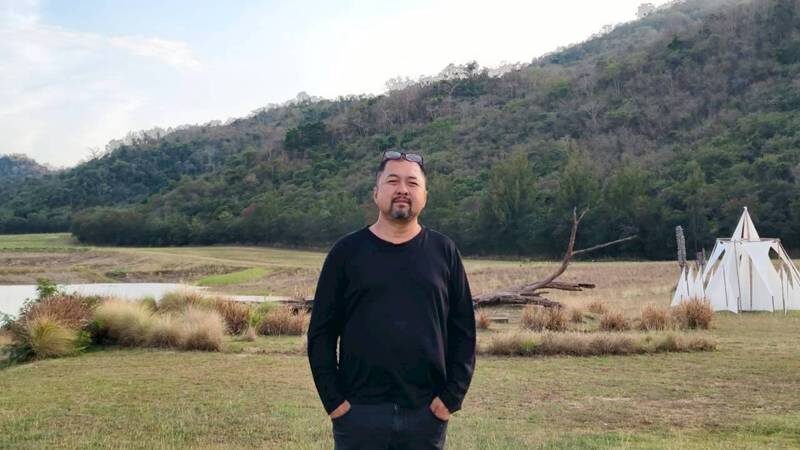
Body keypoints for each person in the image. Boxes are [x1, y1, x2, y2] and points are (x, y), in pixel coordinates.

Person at [307, 150, 476, 449]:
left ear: (425, 196)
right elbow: (321, 332)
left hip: (425, 414)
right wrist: (334, 402)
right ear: (376, 193)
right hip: (358, 414)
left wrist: (450, 399)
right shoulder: (346, 253)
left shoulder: (444, 252)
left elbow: (464, 331)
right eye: (393, 181)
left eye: (412, 182)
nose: (402, 189)